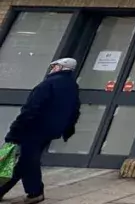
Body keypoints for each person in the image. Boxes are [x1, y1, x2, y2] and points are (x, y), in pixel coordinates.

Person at [0, 58, 80, 203]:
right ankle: (25, 191)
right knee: (26, 160)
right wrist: (67, 128)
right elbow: (75, 110)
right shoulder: (72, 86)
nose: (52, 68)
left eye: (54, 66)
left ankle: (35, 192)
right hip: (51, 130)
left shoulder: (48, 84)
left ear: (60, 67)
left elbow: (31, 109)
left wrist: (15, 130)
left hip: (34, 128)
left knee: (28, 160)